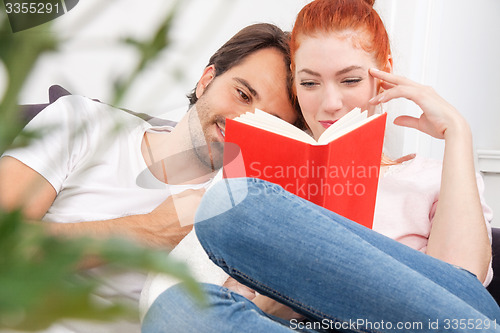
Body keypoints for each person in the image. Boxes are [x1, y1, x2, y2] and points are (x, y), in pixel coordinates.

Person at [141, 0, 500, 332]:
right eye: (310, 83)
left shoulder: (433, 178)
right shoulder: (269, 183)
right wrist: (275, 291)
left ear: (384, 73)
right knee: (174, 307)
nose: (331, 103)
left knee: (231, 204)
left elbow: (461, 300)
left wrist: (457, 132)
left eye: (351, 80)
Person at [0, 23, 299, 332]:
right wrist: (150, 230)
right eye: (242, 94)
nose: (242, 125)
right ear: (206, 80)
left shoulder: (238, 214)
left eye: (267, 124)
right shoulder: (83, 122)